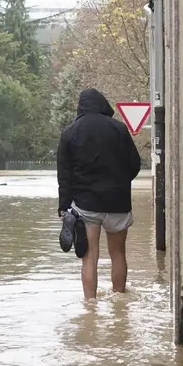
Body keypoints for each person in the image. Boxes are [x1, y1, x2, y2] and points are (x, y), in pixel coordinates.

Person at [57, 88, 142, 299]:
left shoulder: (70, 132)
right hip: (118, 202)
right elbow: (135, 164)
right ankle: (119, 300)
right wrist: (120, 183)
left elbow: (65, 176)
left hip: (86, 205)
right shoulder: (119, 129)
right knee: (118, 254)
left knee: (89, 257)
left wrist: (64, 206)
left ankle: (90, 305)